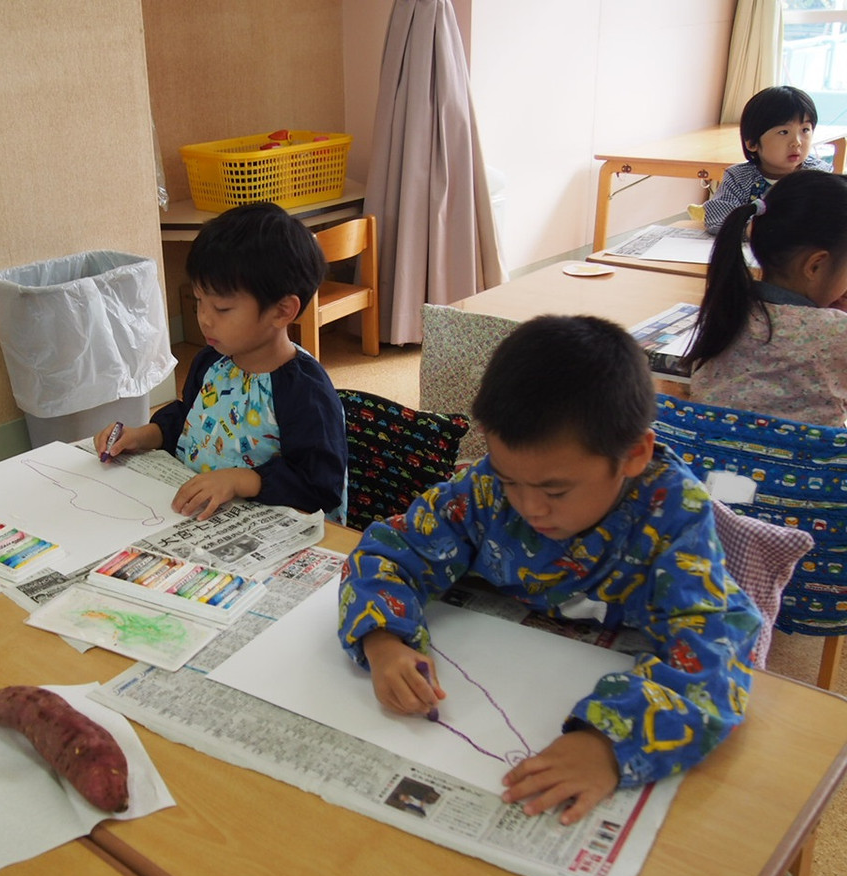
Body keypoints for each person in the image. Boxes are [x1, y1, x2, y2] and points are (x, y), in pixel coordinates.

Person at [338, 315, 761, 826]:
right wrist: (383, 640)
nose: (530, 508)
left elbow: (715, 644)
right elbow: (390, 548)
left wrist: (607, 744)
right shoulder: (488, 488)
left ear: (633, 456)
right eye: (511, 480)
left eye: (555, 491)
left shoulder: (673, 517)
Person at [95, 201, 348, 522]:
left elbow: (319, 485)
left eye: (223, 309)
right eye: (200, 302)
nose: (204, 319)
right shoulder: (213, 361)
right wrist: (139, 436)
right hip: (202, 518)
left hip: (274, 531)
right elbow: (190, 419)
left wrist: (239, 480)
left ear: (283, 310)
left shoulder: (305, 392)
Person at [685, 168, 847, 426]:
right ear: (815, 266)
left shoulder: (727, 308)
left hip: (711, 461)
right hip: (805, 465)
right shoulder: (836, 331)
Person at [702, 85, 830, 234]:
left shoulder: (818, 175)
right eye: (784, 132)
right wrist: (753, 230)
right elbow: (718, 216)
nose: (797, 142)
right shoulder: (738, 178)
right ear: (752, 143)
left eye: (805, 130)